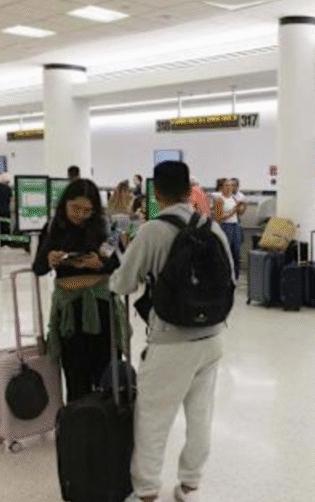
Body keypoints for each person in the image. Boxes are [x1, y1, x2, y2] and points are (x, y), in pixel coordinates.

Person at [110, 160, 234, 502]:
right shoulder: (213, 228)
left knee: (153, 416)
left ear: (157, 192)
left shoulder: (154, 229)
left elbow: (122, 283)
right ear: (188, 188)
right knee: (200, 416)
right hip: (212, 338)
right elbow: (230, 280)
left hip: (171, 339)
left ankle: (147, 491)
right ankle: (190, 485)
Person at [32, 179, 130, 402]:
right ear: (64, 203)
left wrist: (100, 264)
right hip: (70, 312)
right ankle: (80, 425)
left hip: (102, 307)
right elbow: (38, 268)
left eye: (87, 210)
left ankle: (108, 422)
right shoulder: (52, 229)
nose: (80, 214)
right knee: (75, 375)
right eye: (75, 208)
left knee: (106, 372)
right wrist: (49, 260)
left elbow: (117, 263)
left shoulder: (106, 228)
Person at [212, 179, 245, 280]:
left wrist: (242, 207)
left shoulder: (234, 198)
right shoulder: (219, 200)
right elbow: (218, 218)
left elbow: (239, 214)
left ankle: (235, 276)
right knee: (227, 252)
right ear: (221, 188)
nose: (229, 187)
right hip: (225, 226)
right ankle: (225, 276)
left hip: (235, 226)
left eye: (230, 186)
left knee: (236, 252)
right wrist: (233, 211)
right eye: (226, 185)